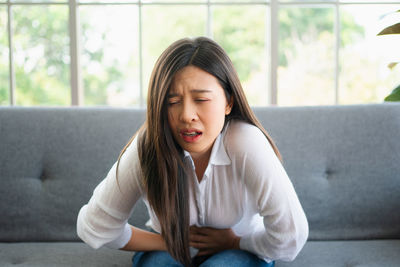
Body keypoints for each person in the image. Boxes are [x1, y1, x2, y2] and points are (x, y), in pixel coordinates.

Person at [77, 36, 309, 267]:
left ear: (228, 102)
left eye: (201, 99)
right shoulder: (149, 145)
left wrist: (235, 242)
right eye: (172, 101)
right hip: (169, 252)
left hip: (242, 248)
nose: (186, 115)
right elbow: (94, 226)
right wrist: (167, 243)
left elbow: (290, 237)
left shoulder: (246, 142)